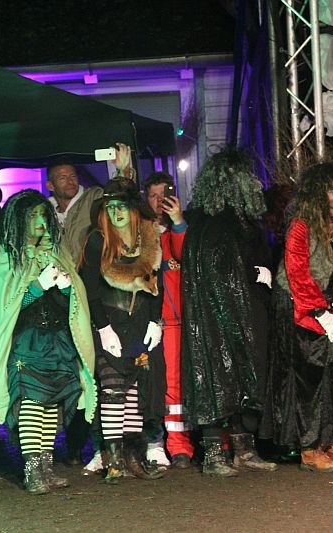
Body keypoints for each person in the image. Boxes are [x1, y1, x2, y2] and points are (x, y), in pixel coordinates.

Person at [0, 189, 97, 494]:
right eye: (32, 215)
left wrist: (66, 289)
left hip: (58, 339)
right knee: (32, 402)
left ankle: (46, 469)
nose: (40, 221)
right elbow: (8, 307)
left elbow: (74, 301)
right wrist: (38, 285)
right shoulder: (7, 255)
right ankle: (32, 470)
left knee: (51, 404)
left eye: (42, 214)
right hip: (28, 340)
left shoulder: (57, 253)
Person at [180, 147, 277, 476]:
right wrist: (254, 274)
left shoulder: (235, 221)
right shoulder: (212, 223)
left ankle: (243, 449)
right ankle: (212, 454)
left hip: (244, 312)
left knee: (241, 377)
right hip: (216, 318)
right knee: (216, 377)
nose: (253, 182)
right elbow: (219, 270)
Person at [277, 161, 333, 472]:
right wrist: (319, 312)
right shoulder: (302, 224)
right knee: (311, 378)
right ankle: (309, 447)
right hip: (301, 306)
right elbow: (296, 271)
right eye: (332, 188)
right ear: (318, 192)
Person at [79, 177, 165, 484]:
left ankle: (133, 456)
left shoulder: (149, 239)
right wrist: (103, 328)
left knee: (136, 390)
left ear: (134, 209)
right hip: (110, 321)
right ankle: (113, 460)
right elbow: (90, 289)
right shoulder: (98, 241)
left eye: (122, 206)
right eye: (111, 207)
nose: (116, 213)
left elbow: (156, 285)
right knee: (113, 389)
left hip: (139, 323)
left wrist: (155, 321)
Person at [144, 172, 191, 470]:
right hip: (158, 322)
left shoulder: (181, 228)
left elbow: (188, 257)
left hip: (184, 319)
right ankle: (175, 445)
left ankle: (205, 443)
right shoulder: (141, 232)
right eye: (153, 195)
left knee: (187, 383)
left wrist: (178, 222)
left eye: (165, 193)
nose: (160, 200)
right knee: (168, 386)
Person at [46, 159, 103, 261]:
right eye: (62, 178)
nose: (70, 182)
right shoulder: (46, 214)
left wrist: (123, 171)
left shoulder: (93, 198)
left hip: (94, 269)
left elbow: (120, 197)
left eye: (73, 176)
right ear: (50, 186)